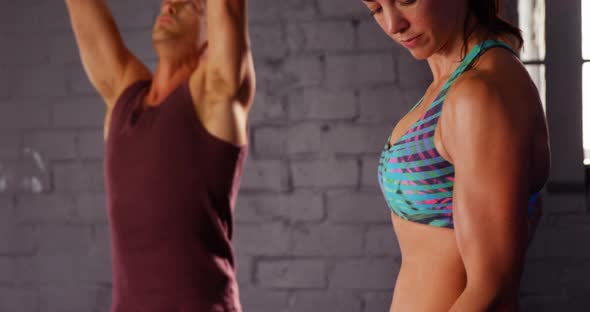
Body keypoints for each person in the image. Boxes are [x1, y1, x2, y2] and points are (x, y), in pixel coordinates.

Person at [65, 0, 255, 310]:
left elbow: (230, 9)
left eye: (189, 5)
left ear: (213, 35)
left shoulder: (215, 94)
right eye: (167, 3)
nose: (170, 8)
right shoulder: (123, 99)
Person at [362, 0, 550, 310]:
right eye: (376, 9)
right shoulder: (451, 85)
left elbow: (493, 289)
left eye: (406, 0)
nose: (394, 25)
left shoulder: (477, 94)